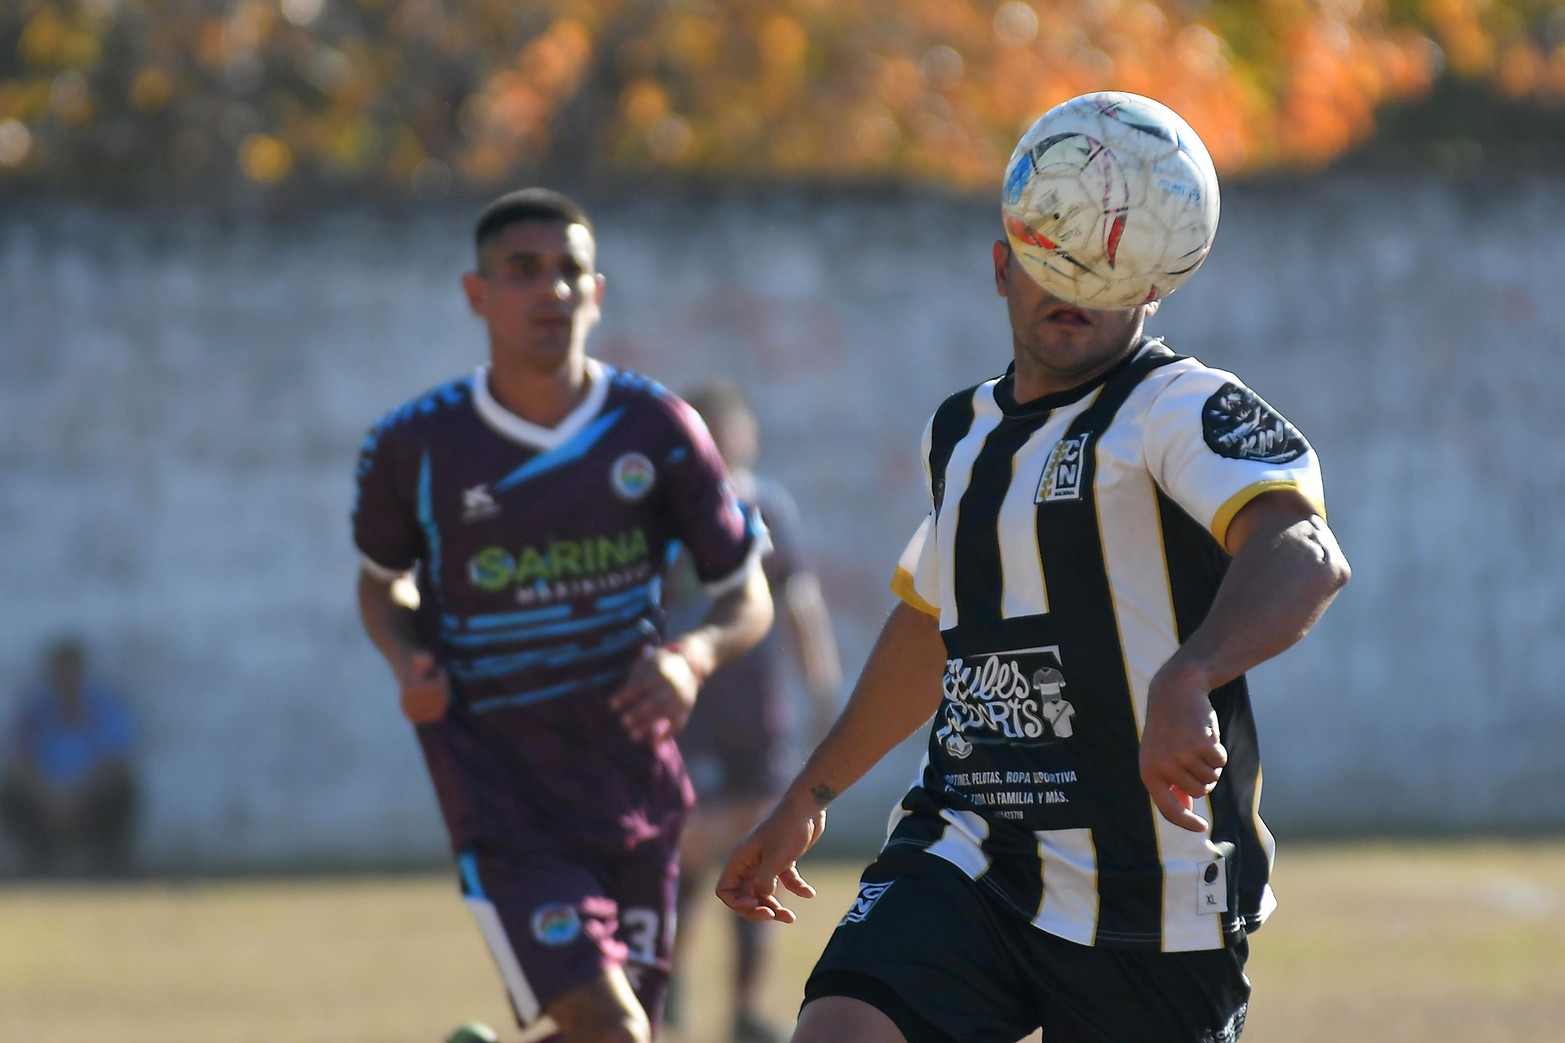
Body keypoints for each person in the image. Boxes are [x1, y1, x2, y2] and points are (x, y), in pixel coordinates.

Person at [715, 173, 1352, 1041]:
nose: (1075, 283)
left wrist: (1189, 673)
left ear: (1154, 287)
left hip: (1151, 890)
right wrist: (807, 792)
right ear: (1001, 267)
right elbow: (928, 625)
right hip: (971, 846)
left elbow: (1304, 552)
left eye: (1109, 263)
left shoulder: (1179, 405)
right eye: (1051, 252)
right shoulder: (963, 433)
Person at [352, 188, 774, 1043]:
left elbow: (746, 593)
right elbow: (379, 583)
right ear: (477, 294)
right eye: (523, 271)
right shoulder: (417, 445)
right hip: (503, 793)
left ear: (597, 292)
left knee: (615, 1036)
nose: (550, 290)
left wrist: (691, 657)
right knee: (615, 1032)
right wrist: (406, 656)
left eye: (568, 272)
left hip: (637, 786)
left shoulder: (656, 429)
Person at [663, 379, 843, 1043]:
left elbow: (798, 602)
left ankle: (745, 1006)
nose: (713, 442)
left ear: (744, 437)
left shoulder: (768, 507)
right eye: (698, 430)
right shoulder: (663, 514)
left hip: (757, 714)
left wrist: (821, 684)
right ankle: (668, 978)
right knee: (687, 846)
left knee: (760, 849)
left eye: (722, 429)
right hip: (689, 713)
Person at [1, 637, 139, 878]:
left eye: (72, 670)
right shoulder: (36, 710)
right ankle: (37, 867)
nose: (67, 678)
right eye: (61, 671)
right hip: (45, 801)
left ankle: (108, 869)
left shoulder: (105, 706)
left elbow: (117, 760)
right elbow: (19, 760)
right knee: (11, 796)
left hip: (92, 798)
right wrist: (49, 797)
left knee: (123, 791)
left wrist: (79, 798)